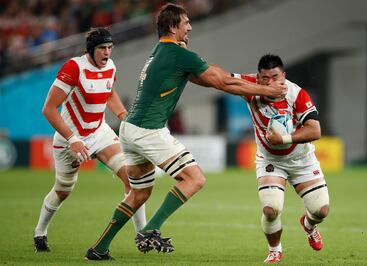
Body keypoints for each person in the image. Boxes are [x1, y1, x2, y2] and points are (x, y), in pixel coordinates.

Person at [85, 4, 287, 261]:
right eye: (186, 22)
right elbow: (222, 81)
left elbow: (209, 78)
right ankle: (151, 229)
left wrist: (231, 80)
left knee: (140, 193)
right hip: (149, 130)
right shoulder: (178, 54)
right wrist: (269, 91)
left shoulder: (160, 51)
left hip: (130, 129)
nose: (190, 26)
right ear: (173, 26)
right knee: (195, 179)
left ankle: (99, 248)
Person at [33, 27, 147, 253]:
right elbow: (48, 109)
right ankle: (40, 233)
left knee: (133, 177)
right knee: (63, 190)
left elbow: (109, 93)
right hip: (70, 139)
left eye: (110, 48)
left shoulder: (111, 67)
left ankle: (143, 235)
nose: (107, 53)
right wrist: (72, 139)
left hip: (99, 132)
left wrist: (124, 116)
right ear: (91, 50)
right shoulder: (74, 68)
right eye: (102, 48)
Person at [232, 54, 330, 263]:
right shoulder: (250, 86)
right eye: (265, 78)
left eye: (275, 77)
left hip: (301, 160)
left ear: (283, 75)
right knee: (271, 209)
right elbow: (221, 79)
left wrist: (284, 138)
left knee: (321, 210)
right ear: (258, 78)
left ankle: (308, 224)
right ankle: (275, 249)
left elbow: (315, 130)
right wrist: (192, 69)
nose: (271, 82)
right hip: (270, 160)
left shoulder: (297, 94)